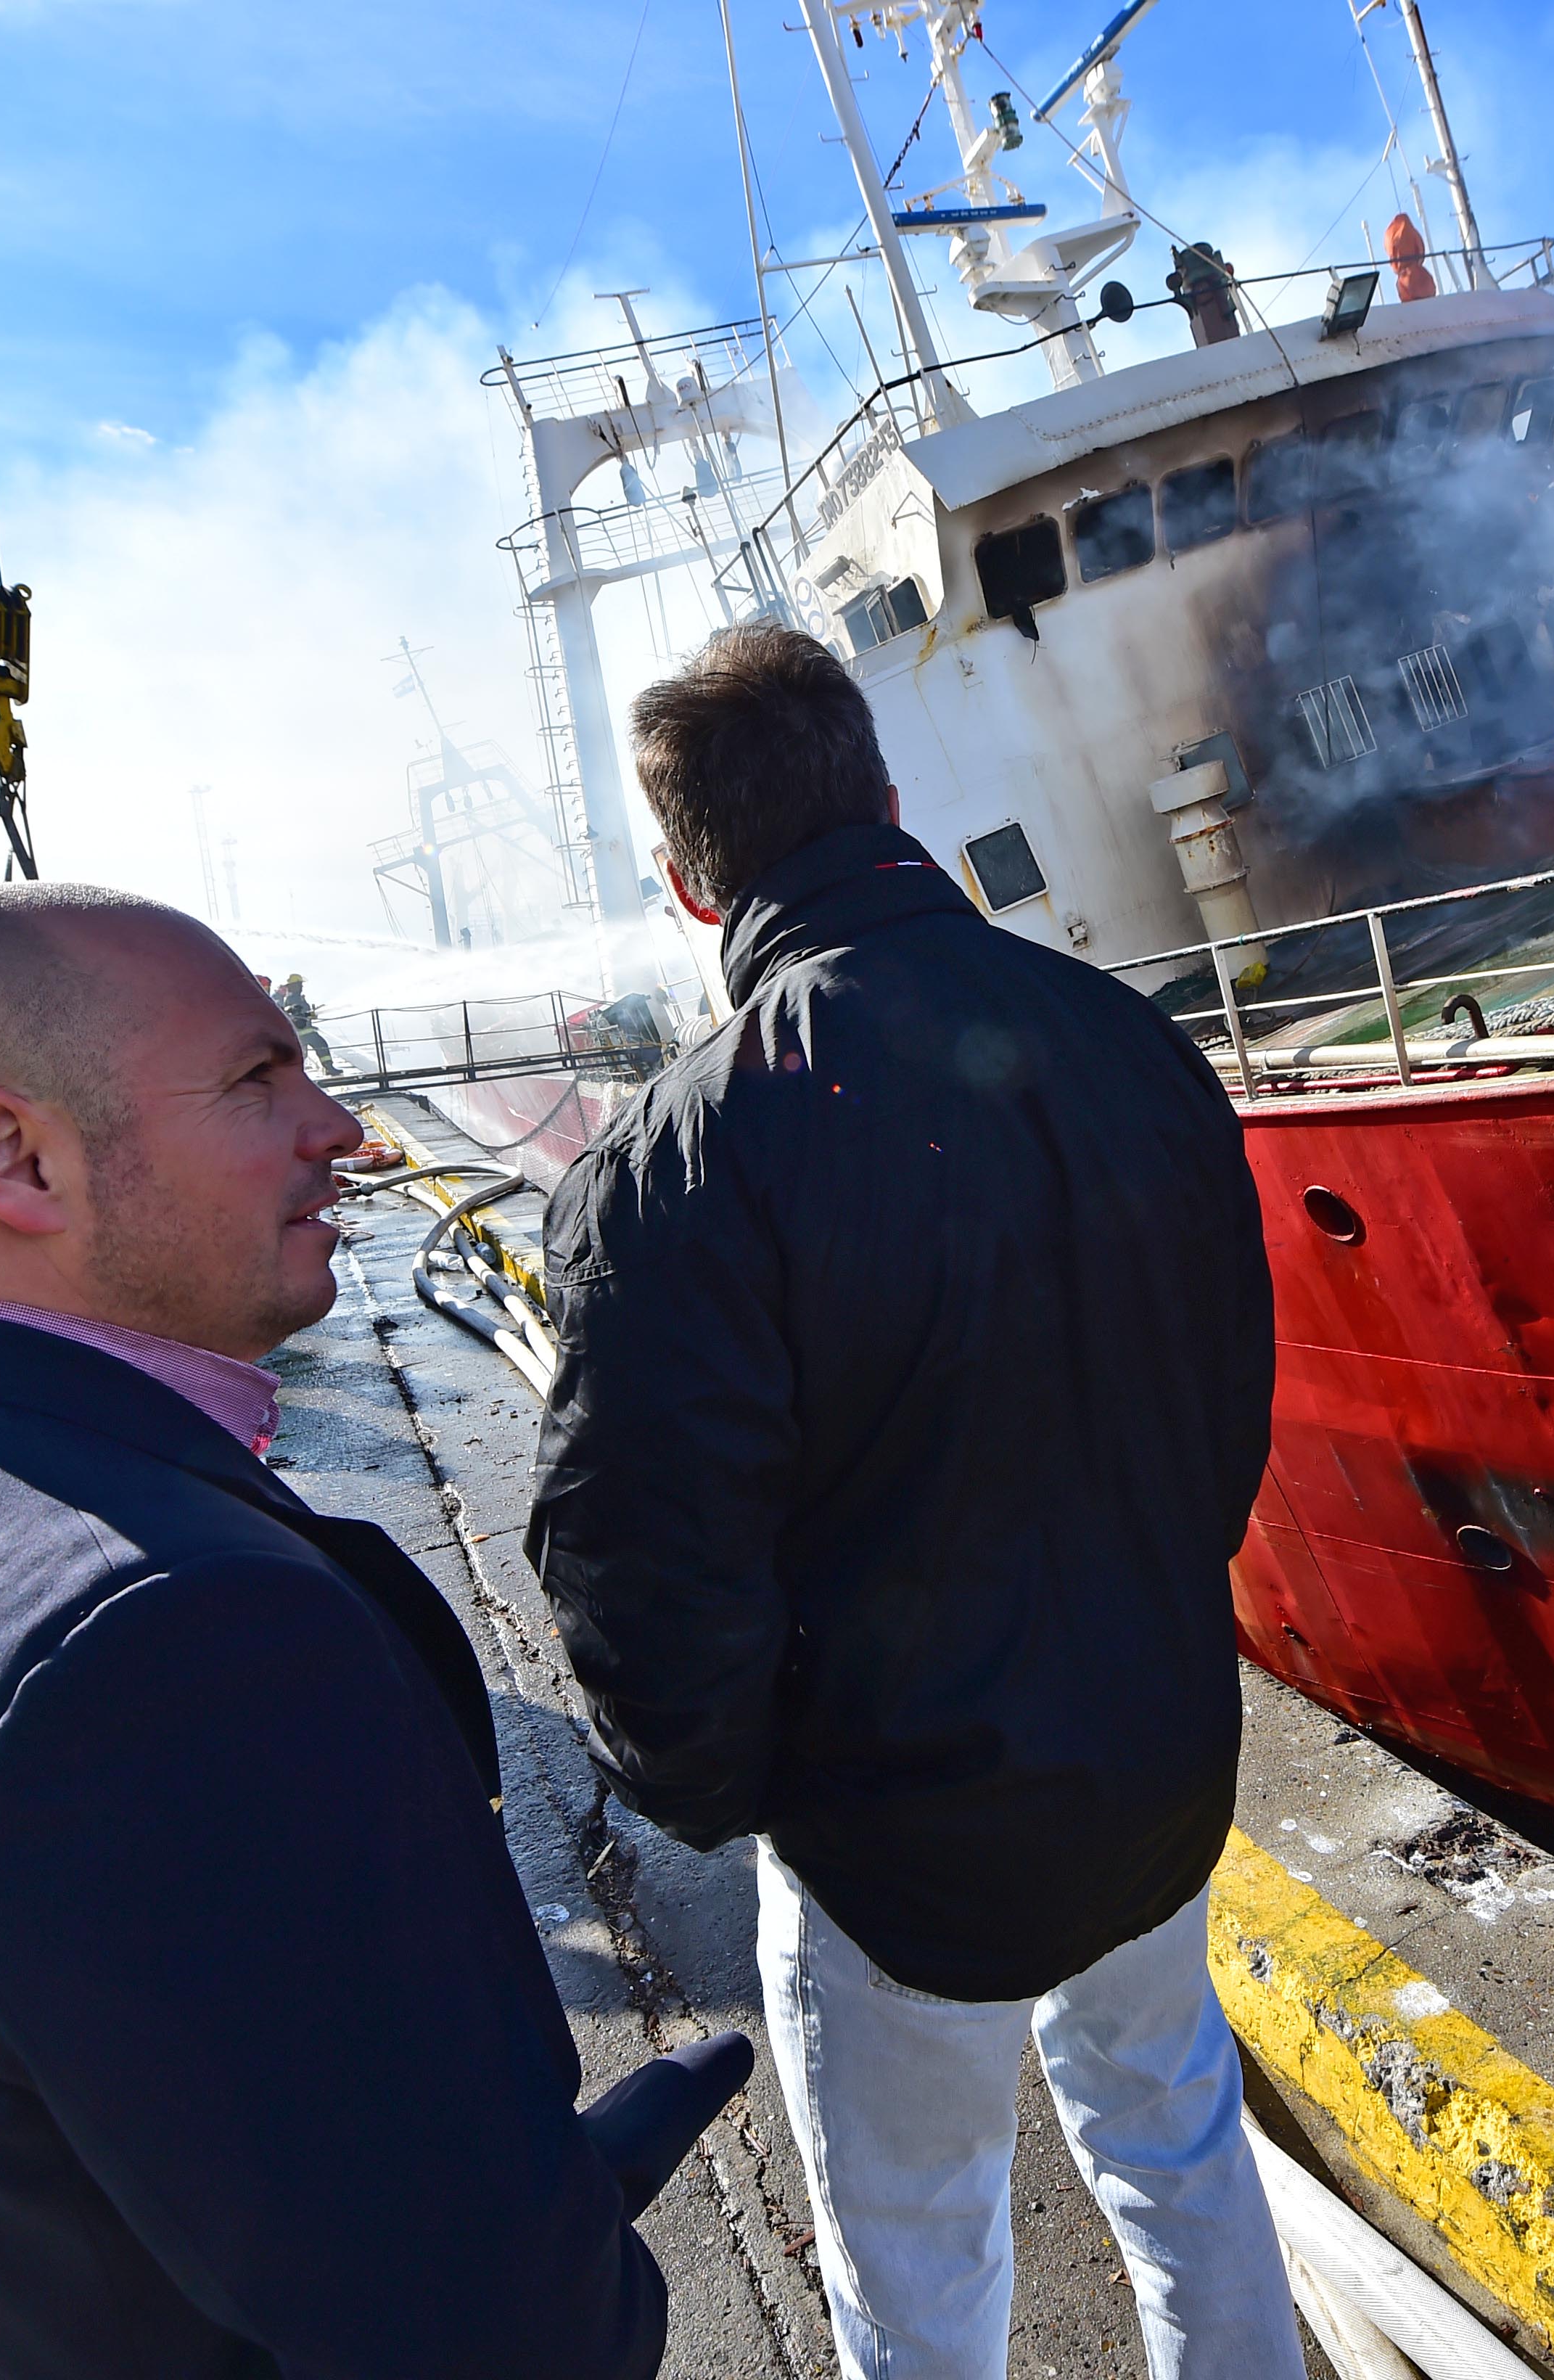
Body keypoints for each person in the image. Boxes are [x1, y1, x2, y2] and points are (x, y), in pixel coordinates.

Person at [0, 880, 718, 2379]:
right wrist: (559, 2234)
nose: (337, 1127)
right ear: (15, 1155)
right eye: (255, 1077)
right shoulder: (180, 1642)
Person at [530, 623, 1299, 2380]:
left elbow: (644, 1568)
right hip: (1155, 1757)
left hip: (903, 1834)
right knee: (1176, 2137)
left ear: (685, 881)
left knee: (920, 2246)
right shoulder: (1131, 1041)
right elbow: (1223, 1404)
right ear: (888, 798)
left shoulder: (680, 1159)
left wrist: (737, 1789)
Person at [274, 969, 335, 1071]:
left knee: (305, 1053)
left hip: (301, 1032)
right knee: (321, 1045)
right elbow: (296, 1014)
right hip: (304, 1032)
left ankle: (325, 1068)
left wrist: (312, 1013)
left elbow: (301, 1013)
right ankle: (329, 1068)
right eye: (300, 984)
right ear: (295, 985)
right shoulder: (293, 998)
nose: (302, 986)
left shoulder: (295, 997)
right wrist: (308, 1014)